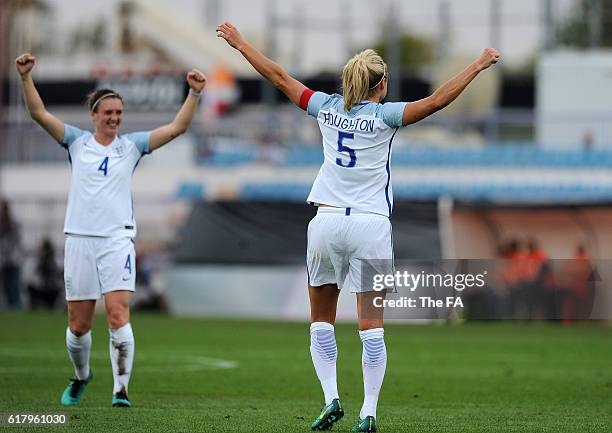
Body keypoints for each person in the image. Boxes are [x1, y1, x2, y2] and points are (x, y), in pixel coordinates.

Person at [217, 21, 499, 432]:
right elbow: (437, 101)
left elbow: (278, 77)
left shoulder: (325, 108)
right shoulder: (386, 116)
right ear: (380, 84)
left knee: (321, 321)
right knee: (371, 327)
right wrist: (476, 65)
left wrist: (241, 43)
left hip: (326, 221)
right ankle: (367, 412)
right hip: (369, 225)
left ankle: (331, 398)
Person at [15, 52, 206, 408]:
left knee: (118, 315)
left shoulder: (131, 147)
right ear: (94, 116)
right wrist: (26, 78)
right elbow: (38, 113)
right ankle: (81, 375)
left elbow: (177, 128)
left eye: (119, 113)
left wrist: (193, 95)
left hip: (117, 240)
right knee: (79, 326)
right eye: (109, 113)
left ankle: (121, 389)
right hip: (79, 240)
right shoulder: (76, 142)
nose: (115, 118)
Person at [27, 237, 62, 310]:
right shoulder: (51, 259)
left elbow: (39, 273)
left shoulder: (46, 260)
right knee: (30, 286)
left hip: (49, 290)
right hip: (52, 289)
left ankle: (34, 306)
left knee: (30, 288)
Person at [0, 199, 23, 309]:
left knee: (14, 287)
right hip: (3, 260)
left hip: (13, 260)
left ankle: (16, 307)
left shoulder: (14, 223)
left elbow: (17, 242)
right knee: (4, 288)